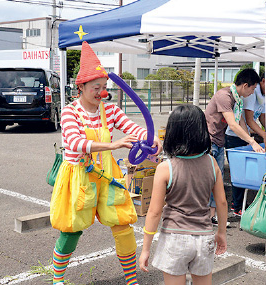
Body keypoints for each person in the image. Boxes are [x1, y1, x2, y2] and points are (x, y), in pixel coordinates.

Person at [49, 41, 162, 285]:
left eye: (104, 86)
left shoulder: (109, 110)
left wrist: (149, 139)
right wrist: (113, 145)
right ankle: (58, 279)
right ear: (81, 86)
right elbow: (75, 143)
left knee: (123, 225)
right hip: (78, 176)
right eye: (96, 87)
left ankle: (131, 279)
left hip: (106, 175)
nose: (101, 91)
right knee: (72, 228)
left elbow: (132, 128)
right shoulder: (70, 112)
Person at [139, 105, 228, 285]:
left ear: (172, 132)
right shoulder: (212, 163)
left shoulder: (166, 168)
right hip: (204, 237)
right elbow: (222, 202)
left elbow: (154, 212)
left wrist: (145, 248)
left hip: (174, 237)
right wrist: (222, 233)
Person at [205, 68, 263, 225]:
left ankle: (211, 216)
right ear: (245, 85)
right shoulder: (225, 96)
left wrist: (249, 140)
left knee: (217, 180)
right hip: (208, 142)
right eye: (252, 88)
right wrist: (252, 142)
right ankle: (208, 215)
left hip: (218, 141)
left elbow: (240, 121)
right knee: (212, 181)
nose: (253, 92)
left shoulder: (237, 99)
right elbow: (232, 123)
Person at [225, 67, 266, 216]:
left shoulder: (263, 95)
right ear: (263, 81)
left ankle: (242, 204)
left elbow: (262, 117)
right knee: (239, 173)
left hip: (247, 136)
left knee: (248, 171)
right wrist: (263, 135)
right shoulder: (252, 93)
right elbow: (249, 120)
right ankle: (237, 205)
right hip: (235, 136)